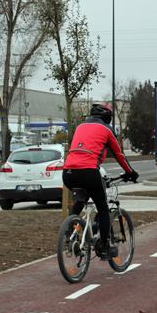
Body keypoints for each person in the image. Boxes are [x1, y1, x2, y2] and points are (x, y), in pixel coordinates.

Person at [62, 103, 139, 260]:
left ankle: (69, 233)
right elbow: (119, 155)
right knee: (103, 208)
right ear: (107, 118)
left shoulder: (80, 127)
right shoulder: (106, 130)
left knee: (80, 200)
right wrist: (130, 173)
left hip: (68, 173)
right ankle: (104, 246)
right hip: (89, 172)